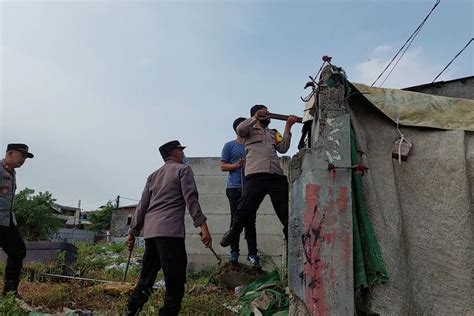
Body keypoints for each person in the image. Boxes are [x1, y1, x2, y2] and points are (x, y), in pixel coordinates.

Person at [126, 140, 212, 316]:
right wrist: (203, 226)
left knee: (147, 276)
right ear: (175, 152)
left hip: (151, 233)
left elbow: (142, 206)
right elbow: (191, 199)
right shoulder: (183, 170)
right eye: (181, 150)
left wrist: (132, 233)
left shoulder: (153, 175)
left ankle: (132, 309)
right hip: (170, 233)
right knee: (175, 280)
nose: (183, 154)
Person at [220, 105, 298, 259]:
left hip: (275, 176)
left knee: (285, 211)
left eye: (268, 113)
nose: (268, 116)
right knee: (243, 209)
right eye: (265, 112)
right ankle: (233, 232)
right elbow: (240, 130)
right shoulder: (248, 131)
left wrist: (288, 126)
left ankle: (293, 240)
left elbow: (283, 148)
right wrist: (255, 117)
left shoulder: (273, 133)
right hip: (256, 176)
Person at [221, 117, 259, 267]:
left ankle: (253, 254)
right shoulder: (229, 146)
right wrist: (237, 165)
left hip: (250, 188)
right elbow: (223, 166)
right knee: (235, 220)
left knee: (251, 221)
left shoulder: (253, 146)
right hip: (235, 188)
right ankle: (234, 252)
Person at [0, 143, 34, 297]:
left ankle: (10, 292)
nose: (23, 160)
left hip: (6, 222)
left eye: (25, 158)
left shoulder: (12, 173)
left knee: (18, 251)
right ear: (11, 154)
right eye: (22, 156)